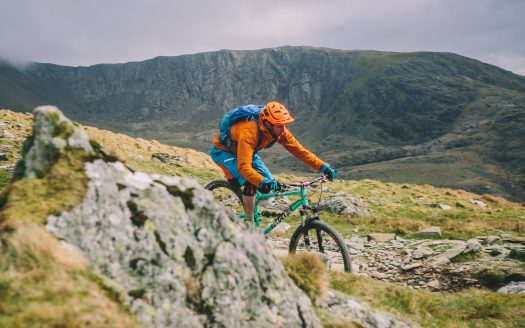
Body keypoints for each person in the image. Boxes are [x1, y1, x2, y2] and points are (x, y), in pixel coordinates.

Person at [210, 101, 336, 221]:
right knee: (252, 180)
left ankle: (252, 208)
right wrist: (261, 181)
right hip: (224, 152)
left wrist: (323, 166)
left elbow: (299, 151)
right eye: (280, 126)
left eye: (284, 125)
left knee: (266, 186)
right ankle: (250, 225)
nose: (283, 129)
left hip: (248, 152)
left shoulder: (279, 132)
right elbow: (244, 167)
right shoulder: (249, 131)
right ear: (268, 123)